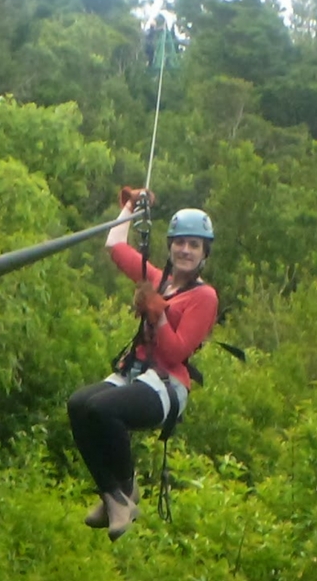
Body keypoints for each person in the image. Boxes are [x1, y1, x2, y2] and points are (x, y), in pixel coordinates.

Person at [66, 187, 219, 542]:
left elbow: (175, 353)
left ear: (204, 253)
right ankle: (115, 495)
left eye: (194, 245)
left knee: (102, 411)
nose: (185, 250)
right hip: (136, 374)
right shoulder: (157, 280)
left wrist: (158, 315)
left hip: (168, 385)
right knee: (78, 405)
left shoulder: (204, 296)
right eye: (180, 243)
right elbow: (115, 247)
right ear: (170, 246)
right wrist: (129, 207)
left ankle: (123, 492)